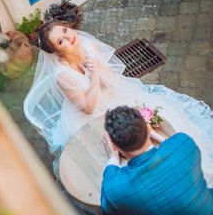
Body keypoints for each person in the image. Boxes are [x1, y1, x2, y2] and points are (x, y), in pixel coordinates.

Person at [24, 21, 213, 184]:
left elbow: (114, 80)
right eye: (60, 41)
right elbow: (88, 109)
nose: (69, 37)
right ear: (57, 52)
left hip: (115, 95)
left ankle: (173, 164)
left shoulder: (89, 46)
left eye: (65, 31)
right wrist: (94, 77)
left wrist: (97, 66)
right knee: (115, 153)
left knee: (157, 125)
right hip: (90, 115)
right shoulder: (63, 75)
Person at [101, 106, 213, 214]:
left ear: (115, 146)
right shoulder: (184, 142)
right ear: (146, 127)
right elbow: (175, 146)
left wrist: (113, 159)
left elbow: (107, 206)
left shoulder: (115, 188)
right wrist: (156, 136)